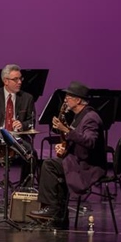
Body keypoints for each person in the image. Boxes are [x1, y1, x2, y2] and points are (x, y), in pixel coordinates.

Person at [30, 81, 106, 230]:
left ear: (78, 100)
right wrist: (65, 148)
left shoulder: (90, 117)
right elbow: (78, 141)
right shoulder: (79, 116)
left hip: (88, 166)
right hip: (78, 160)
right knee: (56, 169)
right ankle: (58, 217)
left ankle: (52, 208)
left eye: (69, 97)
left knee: (49, 164)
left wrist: (66, 130)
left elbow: (90, 142)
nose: (65, 100)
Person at [0, 64, 38, 187]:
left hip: (17, 138)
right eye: (15, 79)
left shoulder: (27, 98)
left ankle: (24, 188)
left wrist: (22, 125)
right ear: (5, 81)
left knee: (32, 154)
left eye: (20, 78)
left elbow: (31, 121)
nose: (19, 82)